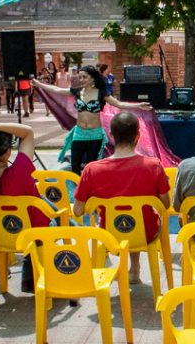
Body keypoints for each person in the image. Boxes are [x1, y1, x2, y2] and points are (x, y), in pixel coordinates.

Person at [72, 112, 170, 283]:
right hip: (146, 232)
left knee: (119, 219)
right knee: (139, 218)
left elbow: (78, 211)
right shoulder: (153, 166)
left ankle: (117, 269)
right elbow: (165, 204)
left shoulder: (92, 170)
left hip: (109, 233)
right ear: (138, 136)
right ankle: (135, 267)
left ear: (111, 135)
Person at [0, 122, 47, 293]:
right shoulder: (21, 171)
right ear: (7, 152)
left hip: (0, 236)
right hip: (33, 234)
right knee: (57, 218)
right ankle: (31, 275)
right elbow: (28, 132)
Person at [33, 65, 152, 175]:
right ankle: (76, 188)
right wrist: (38, 84)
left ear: (92, 79)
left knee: (91, 166)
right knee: (75, 166)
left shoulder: (101, 93)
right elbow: (56, 90)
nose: (81, 79)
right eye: (80, 77)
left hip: (95, 134)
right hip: (79, 133)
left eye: (84, 77)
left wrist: (139, 105)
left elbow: (119, 104)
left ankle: (90, 187)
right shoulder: (77, 91)